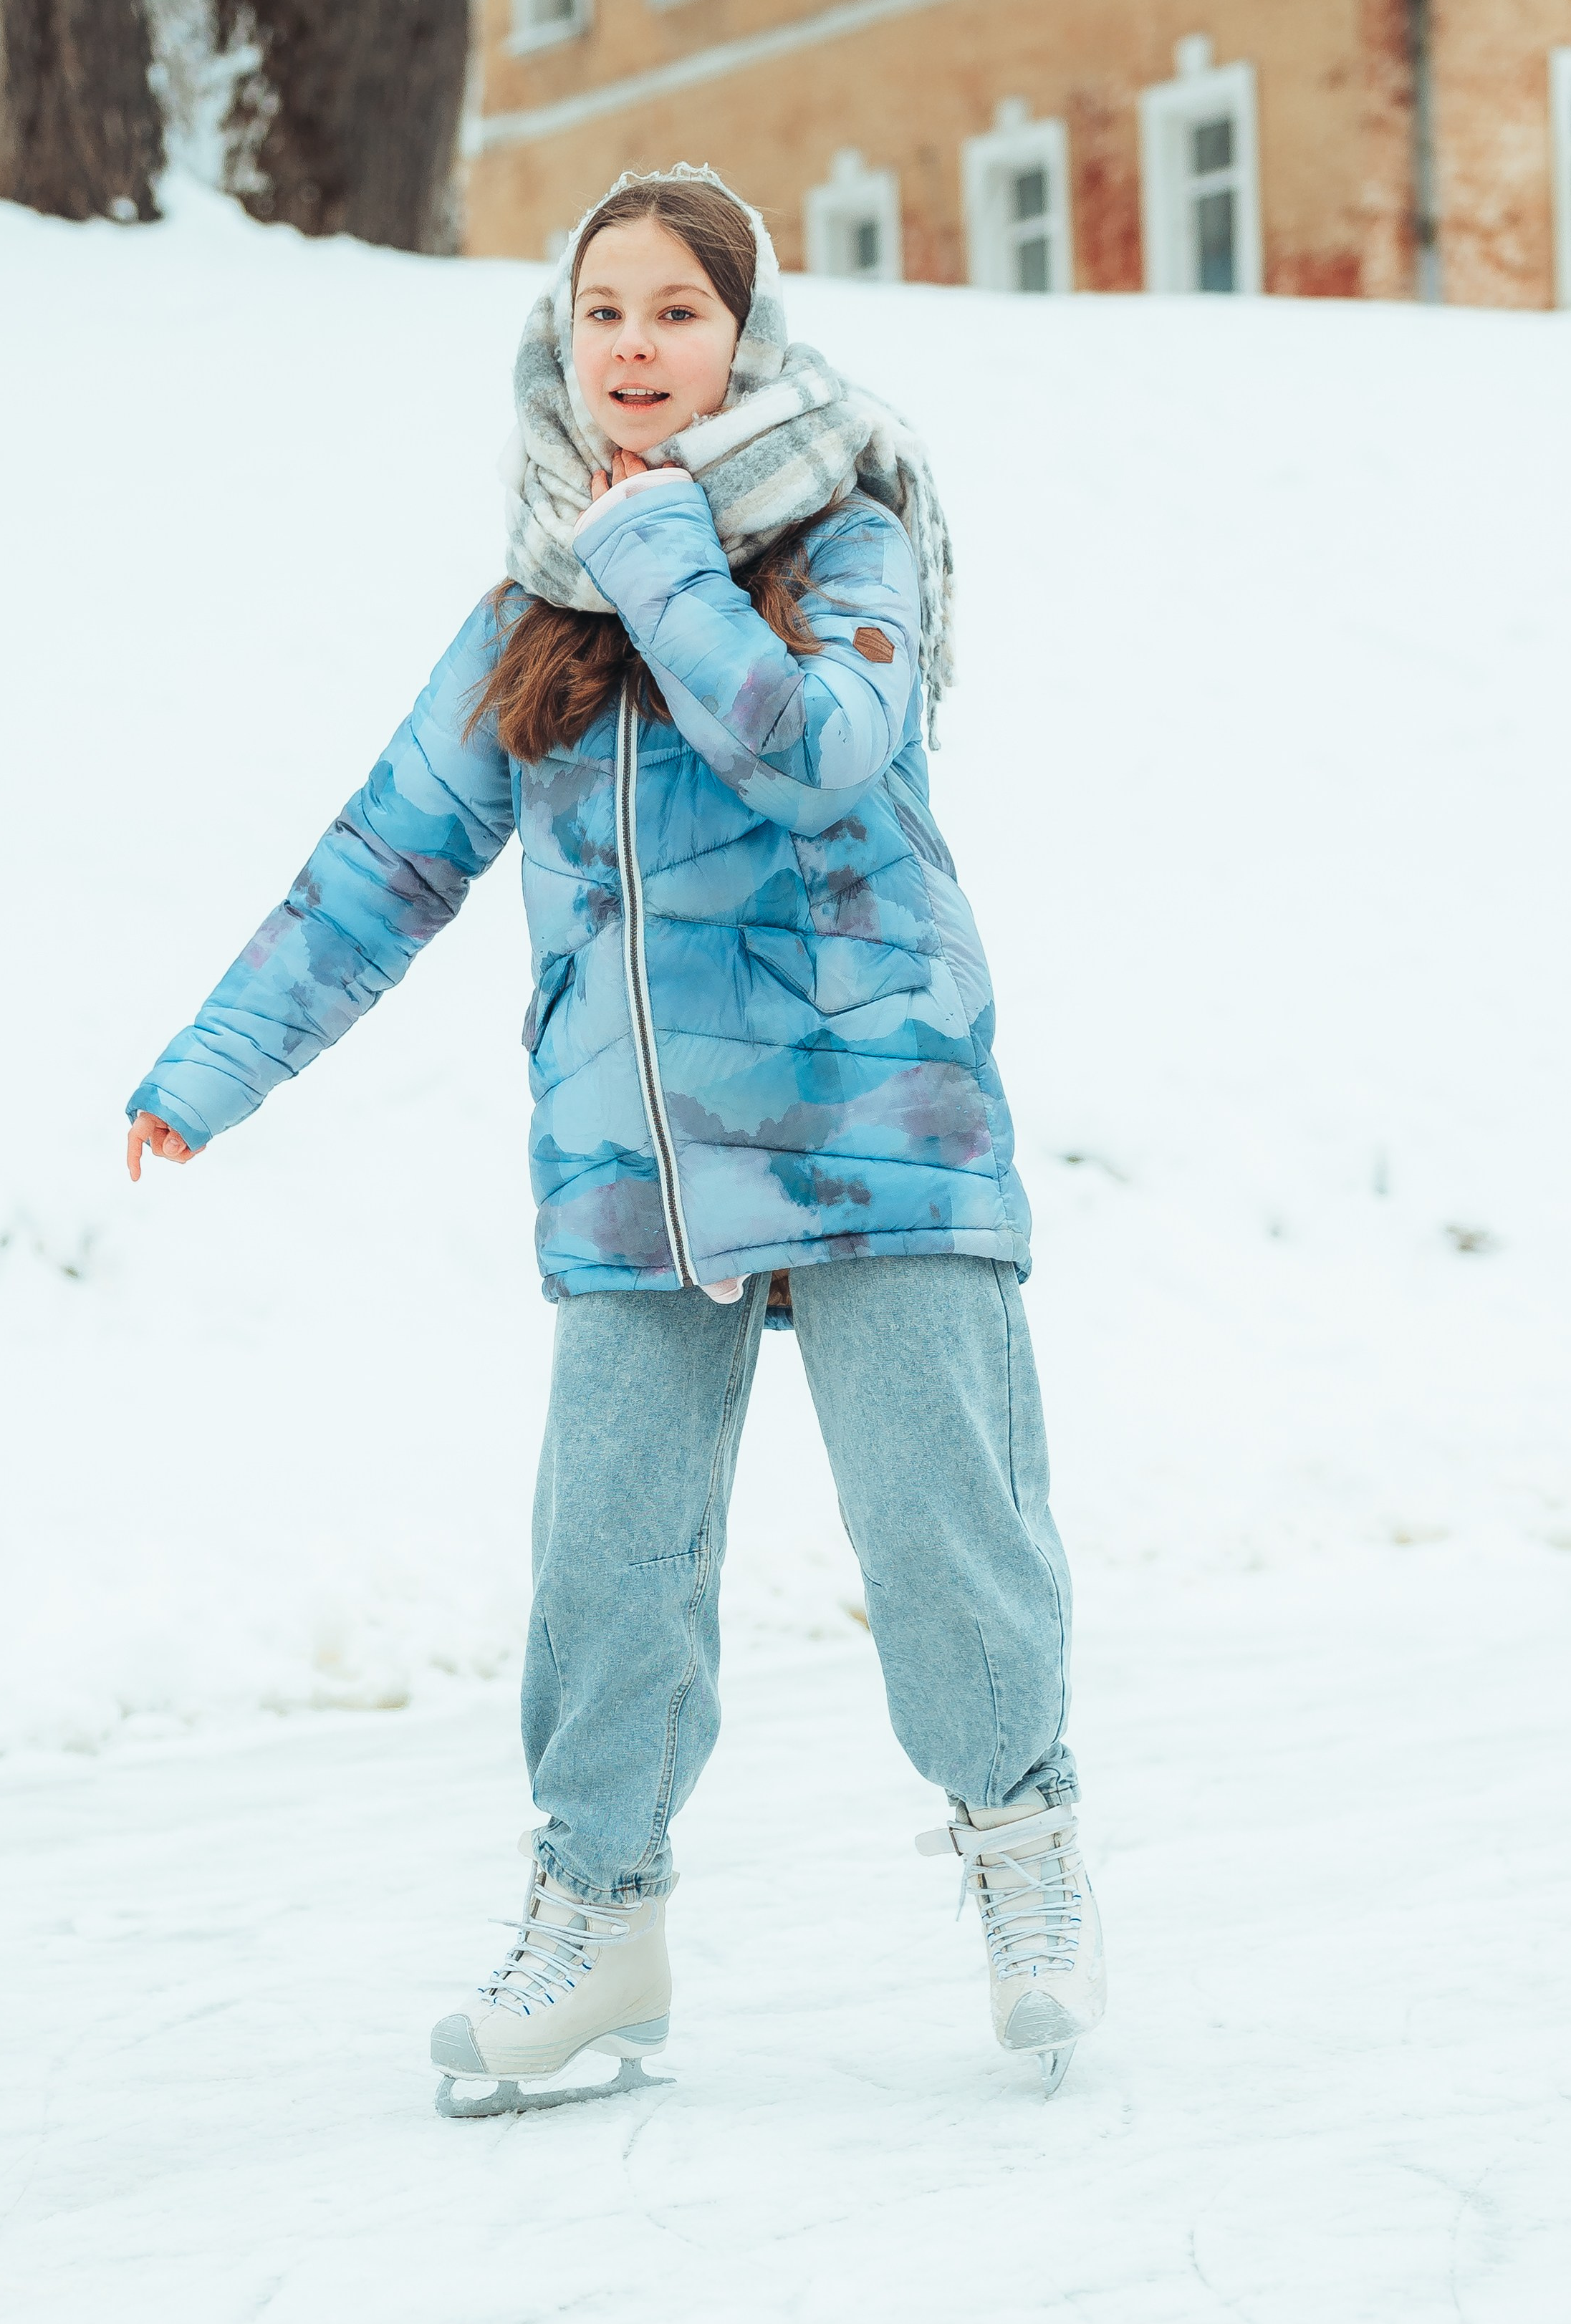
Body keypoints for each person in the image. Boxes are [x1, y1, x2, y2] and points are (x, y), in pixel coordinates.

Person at [126, 165, 1105, 2112]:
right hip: (632, 1168)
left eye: (674, 310)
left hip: (872, 1128)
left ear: (743, 337)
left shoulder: (844, 543)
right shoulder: (528, 611)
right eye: (601, 314)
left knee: (942, 1538)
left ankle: (1021, 1852)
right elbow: (384, 863)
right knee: (607, 1572)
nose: (635, 347)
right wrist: (213, 1065)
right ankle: (602, 1921)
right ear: (558, 346)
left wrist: (666, 554)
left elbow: (823, 755)